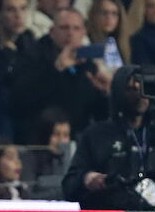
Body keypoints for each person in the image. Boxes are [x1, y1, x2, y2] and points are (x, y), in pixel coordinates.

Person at [62, 65, 155, 210]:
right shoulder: (96, 135)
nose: (140, 95)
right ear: (119, 92)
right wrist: (87, 179)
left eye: (143, 88)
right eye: (132, 89)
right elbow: (69, 186)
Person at [10, 8, 110, 143]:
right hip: (38, 137)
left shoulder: (88, 65)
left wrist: (105, 93)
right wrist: (56, 69)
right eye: (64, 28)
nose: (70, 33)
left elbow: (99, 113)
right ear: (52, 32)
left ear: (83, 33)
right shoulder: (32, 55)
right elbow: (21, 99)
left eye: (76, 28)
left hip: (75, 138)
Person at [22, 106, 75, 200]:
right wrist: (63, 192)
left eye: (66, 135)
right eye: (56, 134)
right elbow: (28, 196)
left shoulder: (72, 160)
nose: (61, 141)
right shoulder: (29, 158)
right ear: (45, 135)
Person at [87, 0, 132, 65]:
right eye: (104, 13)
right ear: (94, 15)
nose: (109, 18)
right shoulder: (86, 42)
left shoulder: (124, 44)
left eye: (114, 13)